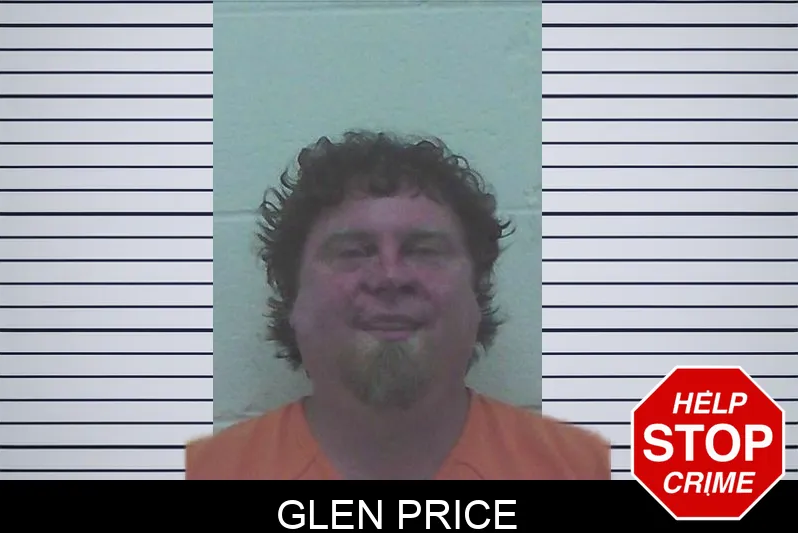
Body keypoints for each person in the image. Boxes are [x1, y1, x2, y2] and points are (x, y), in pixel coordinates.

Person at [186, 130, 610, 480]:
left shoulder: (586, 470)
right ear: (293, 297)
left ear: (476, 295)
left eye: (424, 250)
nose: (390, 277)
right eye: (353, 252)